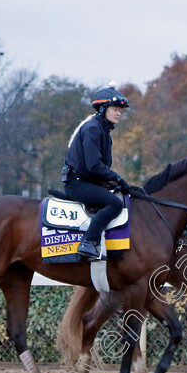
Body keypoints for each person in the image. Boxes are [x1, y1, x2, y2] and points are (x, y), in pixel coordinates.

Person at [62, 84, 131, 260]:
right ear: (102, 109)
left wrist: (115, 182)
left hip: (88, 182)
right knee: (114, 204)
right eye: (115, 109)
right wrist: (116, 177)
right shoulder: (93, 128)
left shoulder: (103, 130)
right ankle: (89, 242)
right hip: (77, 184)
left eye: (119, 110)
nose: (118, 113)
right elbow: (94, 166)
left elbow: (99, 168)